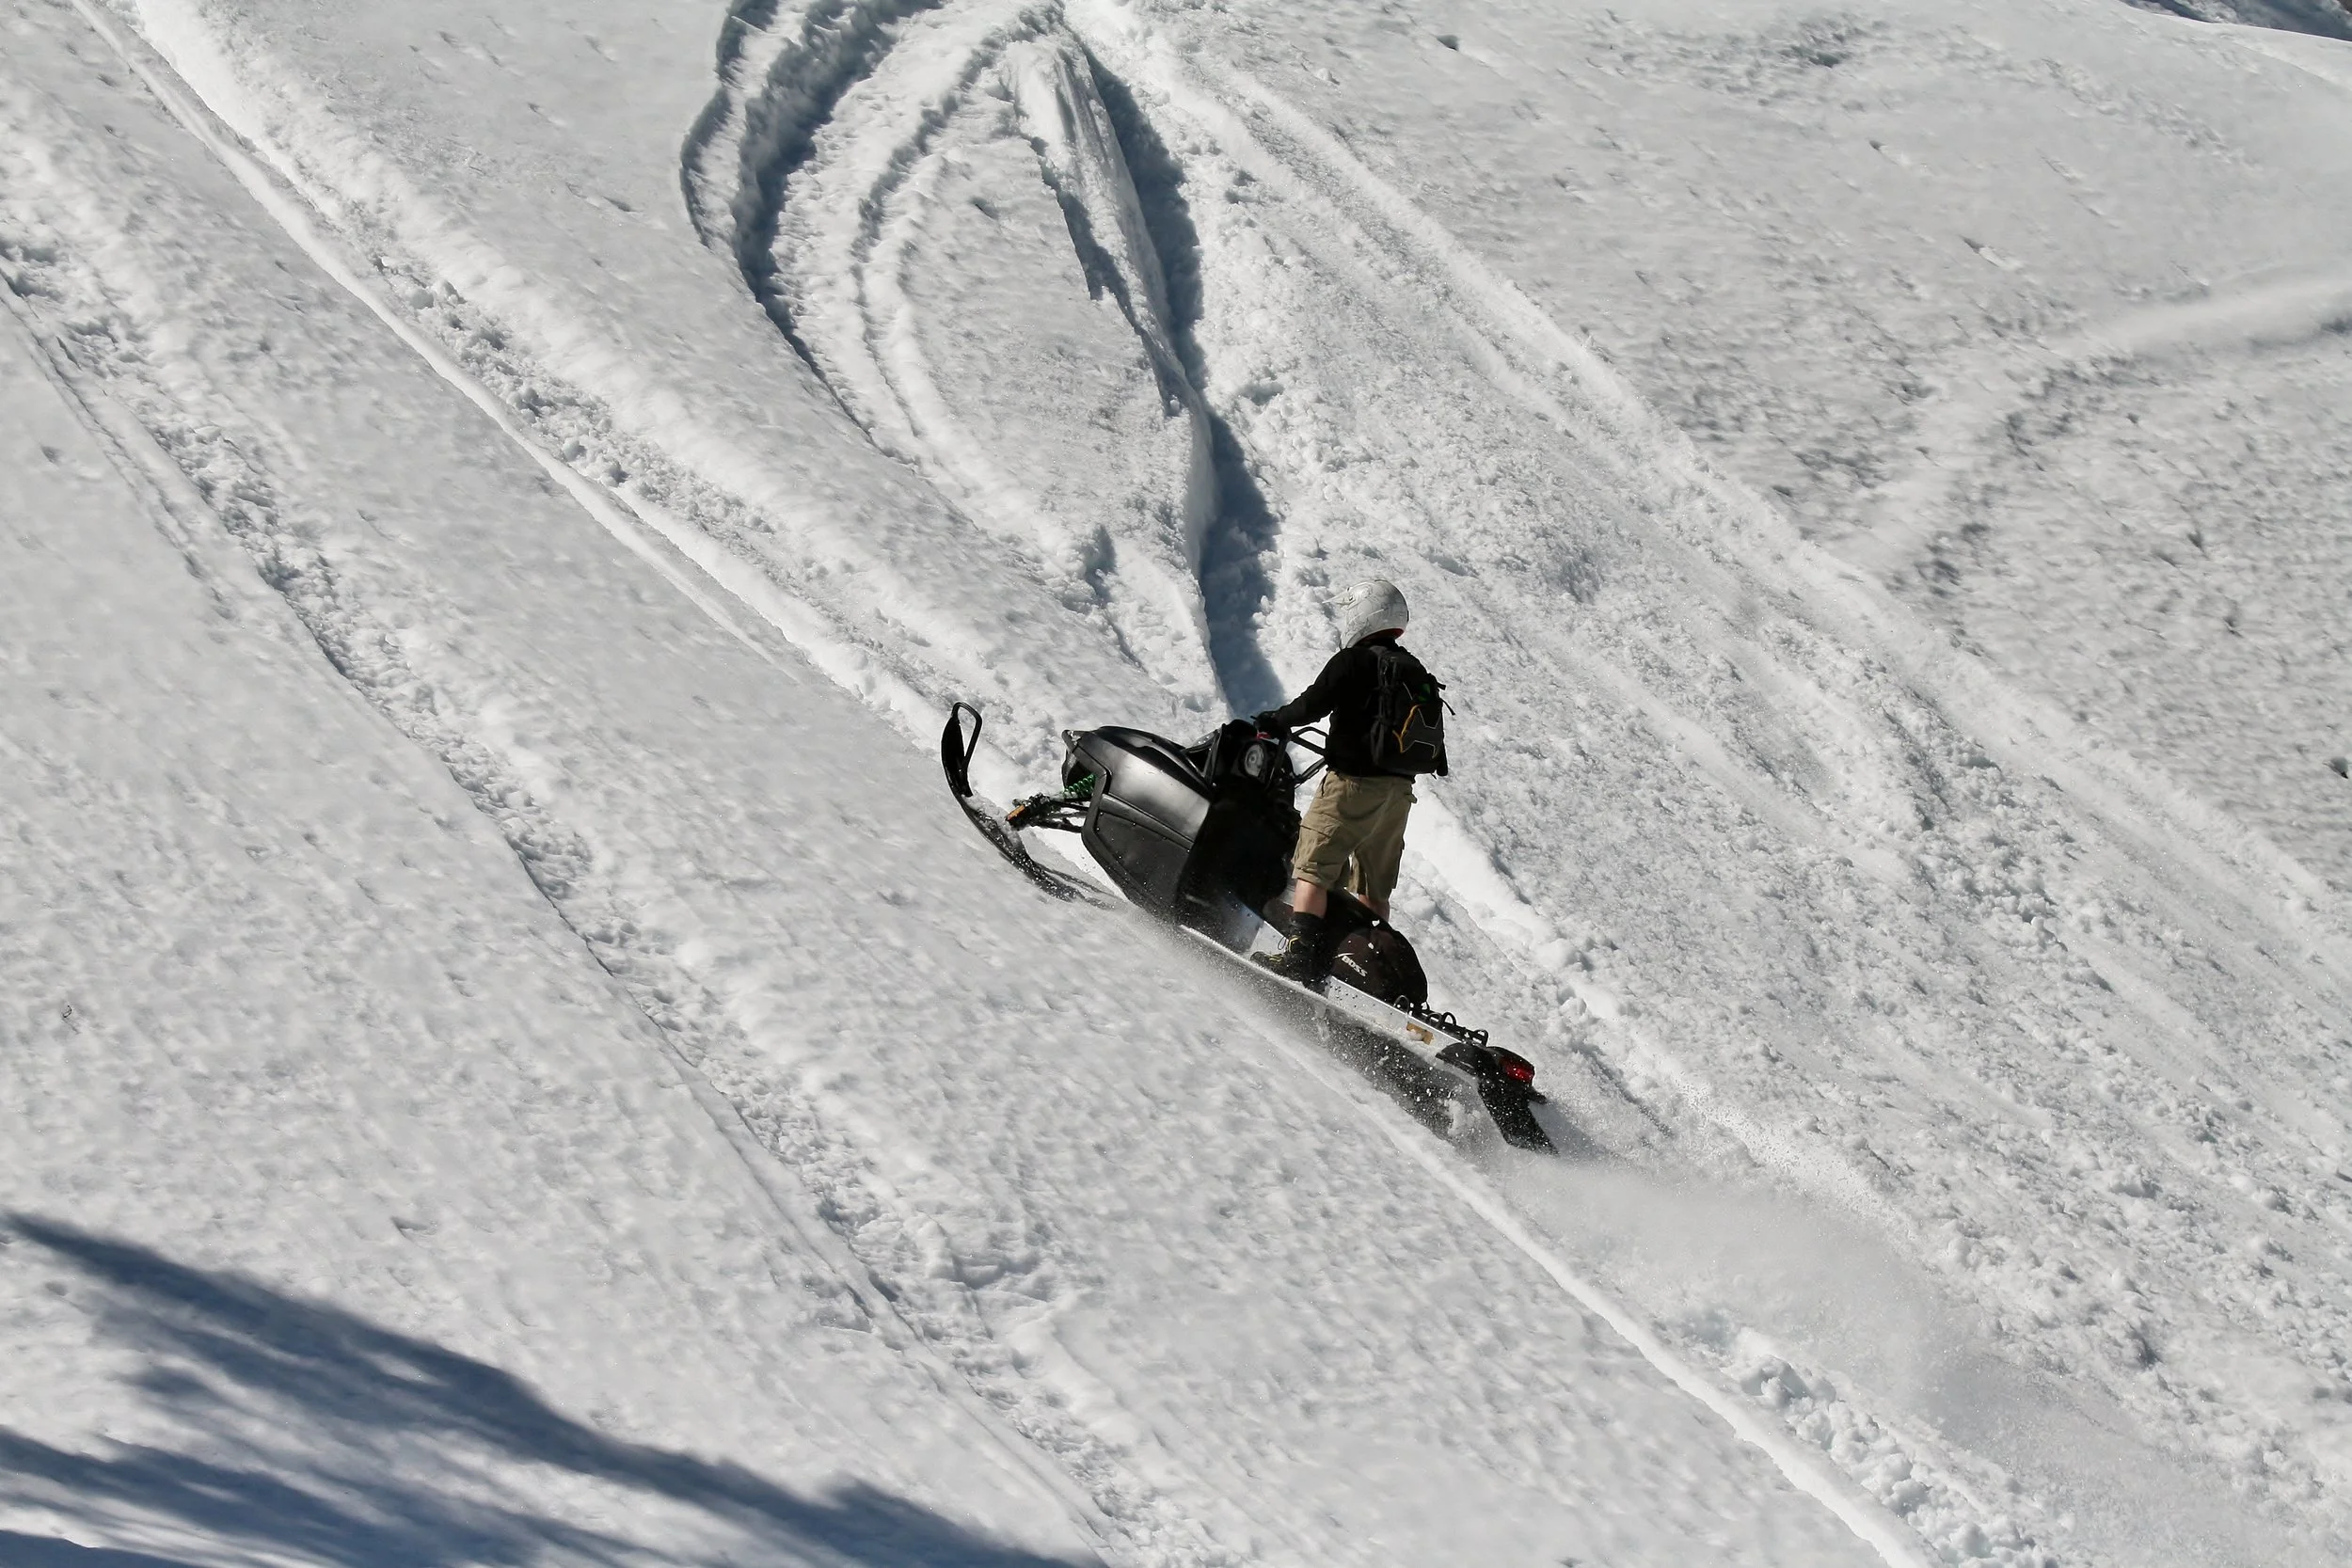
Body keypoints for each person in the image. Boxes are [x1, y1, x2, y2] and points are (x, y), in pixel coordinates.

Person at [1249, 578, 1446, 988]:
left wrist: (1275, 720)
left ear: (1364, 614)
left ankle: (1300, 956)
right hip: (1398, 794)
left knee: (1313, 867)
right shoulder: (1413, 668)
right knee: (1373, 886)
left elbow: (1313, 704)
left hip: (1352, 786)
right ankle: (1365, 967)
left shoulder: (1353, 661)